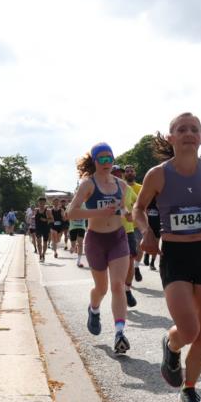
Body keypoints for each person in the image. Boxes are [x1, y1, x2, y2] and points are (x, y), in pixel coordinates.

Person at [134, 115, 201, 402]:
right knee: (188, 330)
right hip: (175, 254)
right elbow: (138, 209)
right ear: (171, 138)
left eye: (194, 130)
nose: (188, 133)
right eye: (182, 130)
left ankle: (189, 390)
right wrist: (147, 232)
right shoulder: (158, 175)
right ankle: (172, 344)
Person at [67, 143, 132, 354]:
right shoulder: (88, 185)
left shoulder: (121, 185)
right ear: (94, 162)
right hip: (95, 240)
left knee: (117, 285)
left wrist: (128, 214)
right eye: (102, 159)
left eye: (110, 159)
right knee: (101, 289)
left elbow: (124, 210)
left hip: (117, 238)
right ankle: (93, 309)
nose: (107, 163)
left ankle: (119, 332)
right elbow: (71, 212)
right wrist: (98, 212)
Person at [113, 165, 139, 307]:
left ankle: (127, 289)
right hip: (110, 231)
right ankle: (117, 290)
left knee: (130, 261)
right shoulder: (105, 191)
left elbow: (138, 205)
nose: (117, 176)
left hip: (128, 231)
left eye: (119, 174)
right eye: (114, 174)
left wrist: (133, 213)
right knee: (115, 265)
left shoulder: (128, 189)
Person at [123, 165, 144, 283]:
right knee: (129, 251)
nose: (129, 173)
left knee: (140, 247)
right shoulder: (121, 187)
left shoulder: (141, 187)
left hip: (138, 223)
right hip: (126, 225)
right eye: (127, 171)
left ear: (135, 173)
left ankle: (136, 267)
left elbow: (143, 206)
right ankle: (129, 270)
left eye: (131, 171)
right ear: (124, 174)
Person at [34, 198, 53, 262]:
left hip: (45, 228)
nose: (41, 204)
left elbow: (52, 220)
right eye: (40, 202)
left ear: (45, 203)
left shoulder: (48, 211)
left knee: (45, 243)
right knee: (38, 243)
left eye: (43, 202)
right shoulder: (36, 210)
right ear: (38, 203)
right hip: (38, 228)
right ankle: (40, 255)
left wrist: (46, 220)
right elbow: (35, 217)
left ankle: (43, 254)